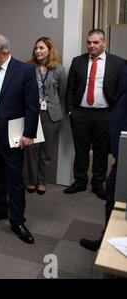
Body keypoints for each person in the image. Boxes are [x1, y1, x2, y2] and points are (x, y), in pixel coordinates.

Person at [0, 34, 40, 244]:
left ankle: (17, 220)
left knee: (14, 178)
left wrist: (29, 134)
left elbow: (32, 105)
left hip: (13, 134)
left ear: (4, 53)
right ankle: (0, 208)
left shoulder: (25, 71)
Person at [64, 29, 125, 199]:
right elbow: (70, 88)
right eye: (89, 42)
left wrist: (116, 114)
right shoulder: (78, 62)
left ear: (104, 43)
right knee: (81, 150)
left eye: (96, 42)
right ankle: (80, 181)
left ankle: (98, 183)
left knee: (101, 151)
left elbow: (122, 92)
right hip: (81, 114)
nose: (92, 45)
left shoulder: (118, 63)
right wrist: (71, 111)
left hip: (105, 114)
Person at [80, 62, 127, 251]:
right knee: (114, 196)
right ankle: (109, 240)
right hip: (121, 148)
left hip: (124, 146)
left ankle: (112, 246)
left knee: (116, 194)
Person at [25, 37, 66, 195]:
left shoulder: (59, 69)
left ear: (50, 50)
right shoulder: (29, 67)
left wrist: (52, 105)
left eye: (41, 48)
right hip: (32, 114)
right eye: (36, 48)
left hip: (50, 115)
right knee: (32, 149)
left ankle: (41, 181)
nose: (38, 51)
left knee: (46, 151)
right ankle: (32, 181)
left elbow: (62, 92)